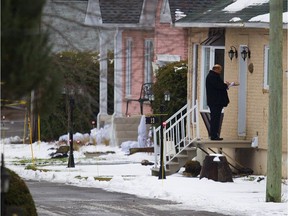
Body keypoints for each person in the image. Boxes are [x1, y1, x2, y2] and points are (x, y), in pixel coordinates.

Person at [205, 64, 230, 141]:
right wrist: (226, 85)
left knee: (216, 118)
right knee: (215, 118)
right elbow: (218, 86)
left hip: (215, 101)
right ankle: (213, 135)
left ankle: (215, 134)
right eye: (220, 70)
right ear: (216, 69)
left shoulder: (212, 76)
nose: (220, 72)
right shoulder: (212, 77)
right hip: (215, 102)